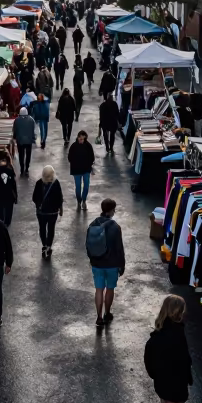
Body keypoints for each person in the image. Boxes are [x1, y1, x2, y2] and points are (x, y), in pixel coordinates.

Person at [143, 295, 193, 403]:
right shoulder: (177, 334)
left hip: (161, 382)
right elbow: (185, 361)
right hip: (175, 384)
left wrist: (155, 375)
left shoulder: (158, 333)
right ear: (179, 313)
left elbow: (149, 357)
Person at [85, 197, 125, 327]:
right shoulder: (115, 227)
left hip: (97, 263)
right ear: (112, 210)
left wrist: (92, 259)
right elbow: (119, 249)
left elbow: (88, 244)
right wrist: (121, 265)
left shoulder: (93, 224)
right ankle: (107, 313)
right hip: (112, 264)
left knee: (98, 290)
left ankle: (98, 316)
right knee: (109, 289)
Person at [32, 165, 64, 258]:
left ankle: (44, 245)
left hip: (41, 212)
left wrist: (39, 205)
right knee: (51, 229)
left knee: (42, 228)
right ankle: (49, 246)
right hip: (53, 213)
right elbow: (60, 198)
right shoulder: (56, 183)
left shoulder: (39, 183)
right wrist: (60, 208)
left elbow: (34, 197)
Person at [68, 130, 95, 209]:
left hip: (86, 169)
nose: (81, 141)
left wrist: (89, 164)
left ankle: (84, 200)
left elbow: (92, 157)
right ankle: (79, 201)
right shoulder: (73, 146)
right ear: (78, 137)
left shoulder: (88, 146)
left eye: (83, 139)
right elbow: (70, 157)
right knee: (78, 187)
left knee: (86, 186)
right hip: (76, 170)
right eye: (80, 139)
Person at [0, 150, 18, 226]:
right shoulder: (10, 169)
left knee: (0, 218)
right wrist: (15, 197)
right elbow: (13, 185)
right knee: (7, 219)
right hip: (9, 197)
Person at [11, 107, 36, 177]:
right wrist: (33, 138)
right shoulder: (31, 120)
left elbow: (15, 130)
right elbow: (33, 130)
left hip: (20, 141)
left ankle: (22, 168)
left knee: (21, 155)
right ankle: (27, 168)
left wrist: (14, 137)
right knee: (28, 155)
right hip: (29, 141)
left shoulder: (16, 120)